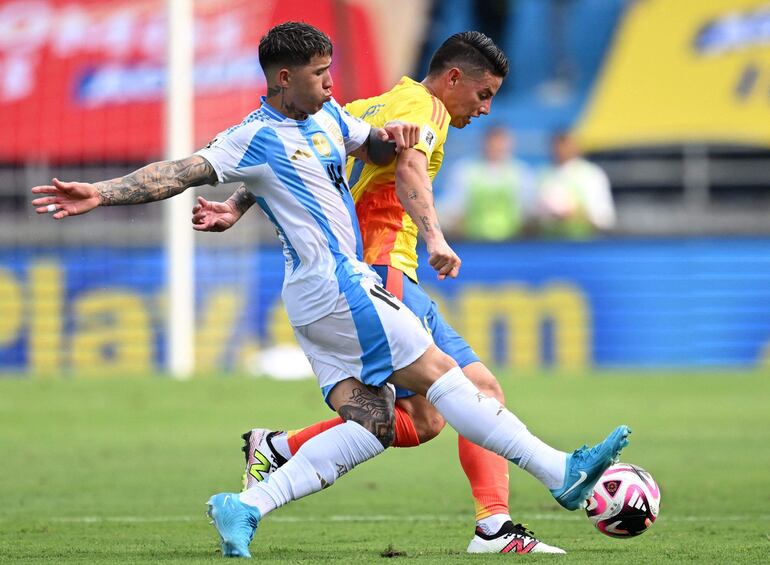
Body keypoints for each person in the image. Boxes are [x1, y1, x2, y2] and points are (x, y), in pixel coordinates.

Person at [32, 22, 630, 559]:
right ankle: (556, 474)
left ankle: (245, 505)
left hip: (316, 299)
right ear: (285, 77)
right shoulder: (251, 137)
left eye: (331, 72)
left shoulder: (327, 116)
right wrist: (102, 193)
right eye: (320, 75)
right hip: (342, 280)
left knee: (373, 426)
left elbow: (363, 147)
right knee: (450, 378)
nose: (330, 84)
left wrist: (389, 139)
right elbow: (180, 171)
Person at [194, 32, 560, 555]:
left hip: (381, 271)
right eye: (484, 94)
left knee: (425, 418)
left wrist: (235, 204)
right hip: (379, 268)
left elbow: (300, 152)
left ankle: (278, 448)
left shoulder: (373, 104)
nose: (485, 109)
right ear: (453, 78)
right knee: (477, 390)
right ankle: (497, 526)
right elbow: (410, 167)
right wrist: (435, 236)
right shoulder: (426, 108)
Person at [438, 125, 536, 240]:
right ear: (484, 142)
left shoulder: (521, 172)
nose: (496, 146)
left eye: (501, 141)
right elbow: (453, 208)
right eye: (492, 141)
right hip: (474, 242)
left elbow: (529, 212)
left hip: (512, 244)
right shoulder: (465, 170)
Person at [536, 131, 616, 238]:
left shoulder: (590, 174)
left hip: (582, 247)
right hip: (549, 245)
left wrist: (576, 214)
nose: (561, 150)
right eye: (558, 146)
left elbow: (604, 219)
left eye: (565, 145)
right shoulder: (543, 174)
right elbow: (531, 218)